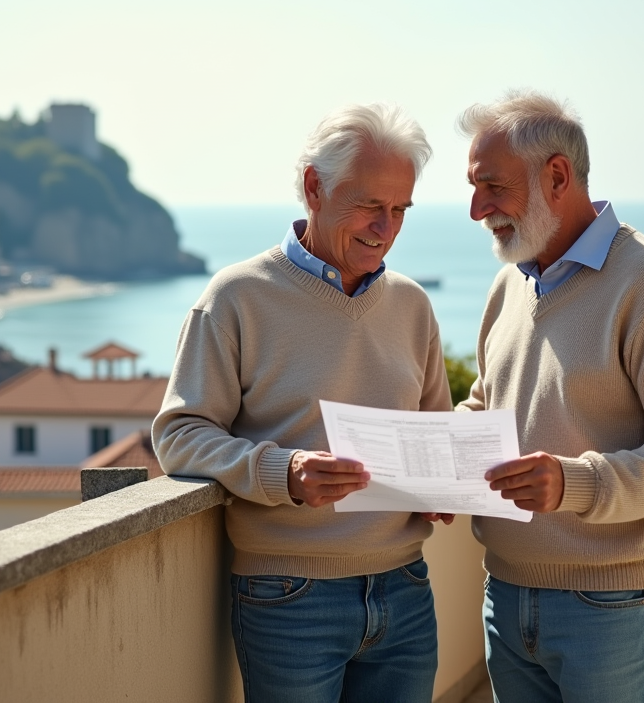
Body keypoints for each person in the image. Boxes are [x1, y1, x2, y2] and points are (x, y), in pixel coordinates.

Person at [153, 102, 452, 703]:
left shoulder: (412, 305)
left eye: (400, 210)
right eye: (370, 205)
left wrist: (442, 486)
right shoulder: (235, 297)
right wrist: (283, 472)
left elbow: (434, 432)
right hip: (289, 596)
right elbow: (179, 434)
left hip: (406, 589)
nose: (385, 227)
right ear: (315, 187)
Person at [456, 91, 644, 703]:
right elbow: (488, 406)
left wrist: (572, 483)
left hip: (612, 606)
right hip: (504, 593)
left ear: (556, 175)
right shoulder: (509, 284)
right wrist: (430, 456)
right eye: (473, 189)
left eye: (492, 186)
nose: (477, 209)